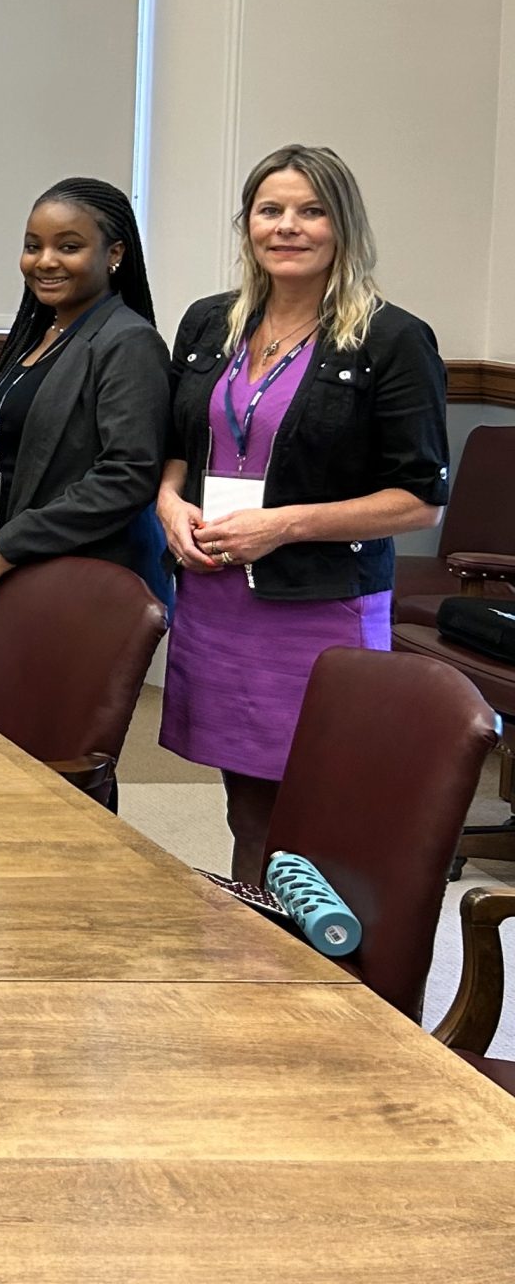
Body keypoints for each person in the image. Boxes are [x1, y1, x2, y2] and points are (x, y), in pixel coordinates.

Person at [155, 145, 449, 884]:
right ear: (248, 224)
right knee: (246, 808)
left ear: (342, 225)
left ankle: (315, 967)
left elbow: (418, 498)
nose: (288, 227)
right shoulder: (210, 324)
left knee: (316, 807)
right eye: (271, 210)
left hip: (320, 605)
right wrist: (168, 501)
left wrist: (282, 525)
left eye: (310, 211)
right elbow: (176, 448)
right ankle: (252, 942)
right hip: (218, 595)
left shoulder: (391, 340)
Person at [0, 176, 170, 614]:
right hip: (7, 569)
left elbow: (128, 475)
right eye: (33, 246)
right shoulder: (35, 335)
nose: (45, 261)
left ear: (114, 254)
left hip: (81, 584)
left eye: (68, 247)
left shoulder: (128, 342)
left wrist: (12, 544)